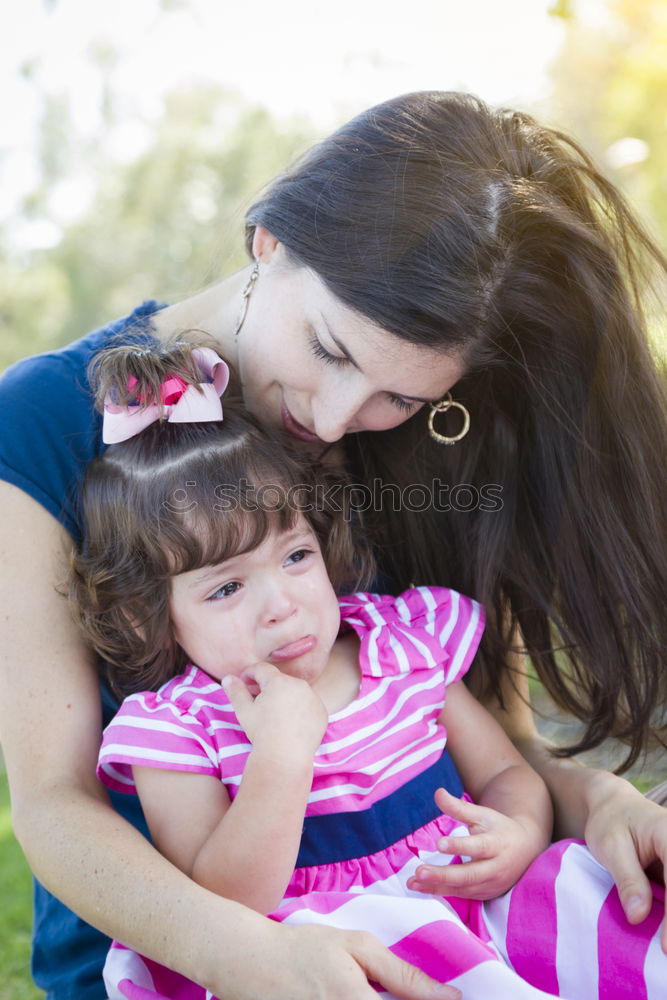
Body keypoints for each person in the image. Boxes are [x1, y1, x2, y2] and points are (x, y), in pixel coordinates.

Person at [0, 90, 665, 999]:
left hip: (450, 915)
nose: (335, 420)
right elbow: (54, 800)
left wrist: (594, 801)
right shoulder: (38, 422)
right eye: (329, 348)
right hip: (197, 953)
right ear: (270, 240)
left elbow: (490, 741)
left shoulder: (435, 436)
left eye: (400, 397)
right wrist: (247, 954)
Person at [74, 341, 664, 1000]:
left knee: (623, 933)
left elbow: (501, 772)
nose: (282, 605)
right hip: (326, 961)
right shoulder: (180, 730)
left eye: (295, 556)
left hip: (483, 910)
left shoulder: (399, 647)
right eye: (224, 590)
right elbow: (222, 902)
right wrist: (281, 758)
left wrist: (520, 833)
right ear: (146, 618)